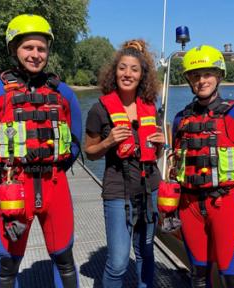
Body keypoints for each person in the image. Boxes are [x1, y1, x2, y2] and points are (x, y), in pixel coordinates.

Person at [0, 14, 82, 287]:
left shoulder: (64, 94)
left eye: (41, 48)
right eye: (28, 48)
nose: (35, 54)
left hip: (55, 185)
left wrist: (54, 168)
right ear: (14, 49)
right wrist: (2, 179)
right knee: (8, 265)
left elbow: (76, 142)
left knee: (64, 258)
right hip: (14, 188)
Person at [171, 45, 234, 288]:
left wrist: (232, 184)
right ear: (188, 80)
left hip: (227, 204)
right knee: (198, 274)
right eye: (195, 75)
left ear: (219, 76)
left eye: (207, 74)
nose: (201, 80)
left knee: (232, 276)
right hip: (190, 206)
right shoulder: (180, 119)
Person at [84, 39, 164, 288]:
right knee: (118, 261)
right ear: (114, 71)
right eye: (122, 68)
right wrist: (108, 141)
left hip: (150, 188)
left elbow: (155, 154)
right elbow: (90, 152)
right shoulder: (99, 110)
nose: (127, 74)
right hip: (118, 190)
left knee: (146, 253)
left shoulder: (151, 108)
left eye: (134, 69)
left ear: (142, 76)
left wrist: (161, 145)